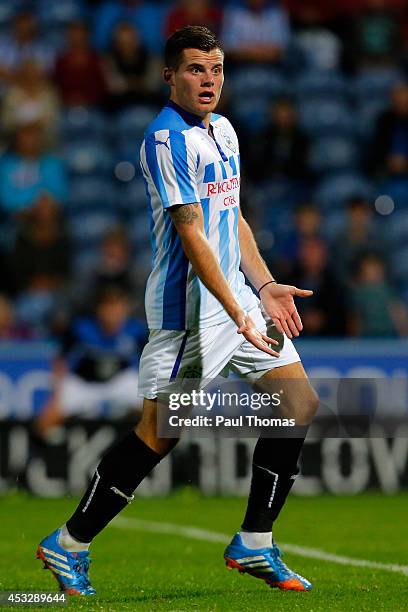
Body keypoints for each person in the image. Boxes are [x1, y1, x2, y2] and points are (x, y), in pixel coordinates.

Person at [37, 26, 318, 596]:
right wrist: (232, 307)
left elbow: (232, 218)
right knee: (161, 431)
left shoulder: (225, 131)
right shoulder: (164, 140)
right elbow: (191, 236)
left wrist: (261, 287)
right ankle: (68, 544)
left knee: (298, 403)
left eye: (215, 69)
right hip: (190, 309)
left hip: (234, 299)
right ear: (169, 75)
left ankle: (255, 543)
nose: (208, 80)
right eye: (195, 69)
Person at [35, 285, 147, 437]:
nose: (113, 314)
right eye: (108, 308)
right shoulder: (81, 328)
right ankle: (46, 454)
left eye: (117, 308)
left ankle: (169, 455)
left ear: (125, 309)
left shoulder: (136, 330)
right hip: (85, 382)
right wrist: (56, 393)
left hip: (120, 381)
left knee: (159, 414)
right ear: (99, 310)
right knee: (47, 419)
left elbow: (151, 360)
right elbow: (60, 359)